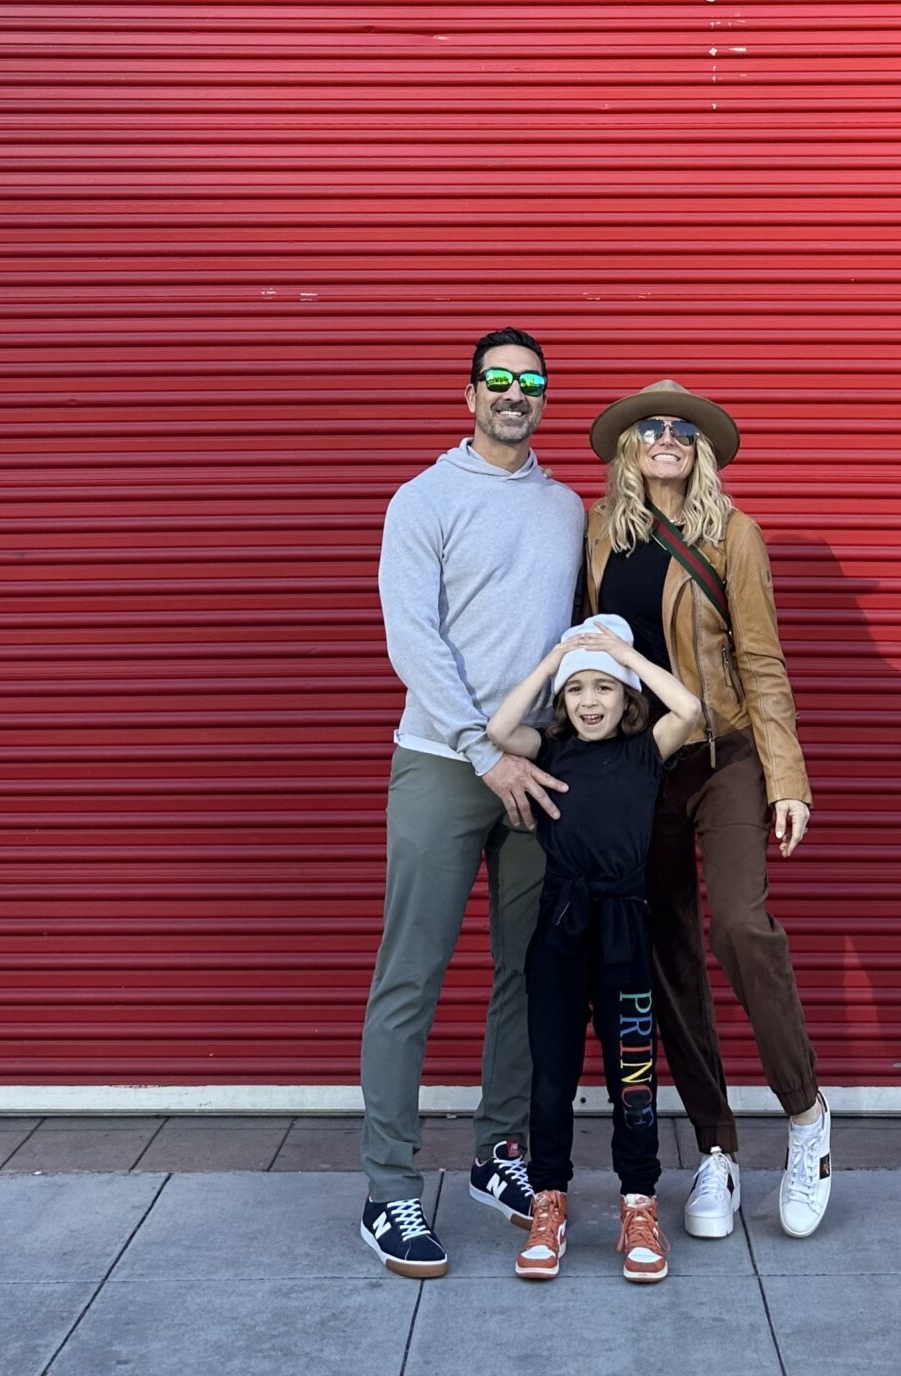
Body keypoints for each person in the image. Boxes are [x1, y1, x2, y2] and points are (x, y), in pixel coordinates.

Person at [357, 329, 586, 1279]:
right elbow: (411, 638)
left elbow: (581, 634)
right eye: (497, 379)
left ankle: (500, 1153)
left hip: (535, 771)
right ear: (468, 396)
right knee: (410, 975)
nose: (513, 393)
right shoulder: (424, 499)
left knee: (526, 974)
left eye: (530, 382)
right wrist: (474, 747)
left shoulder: (569, 506)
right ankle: (387, 1190)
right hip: (442, 766)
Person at [585, 380, 833, 1241]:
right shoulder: (594, 534)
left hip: (722, 758)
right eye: (649, 428)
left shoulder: (734, 535)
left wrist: (786, 775)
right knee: (666, 954)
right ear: (628, 448)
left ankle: (805, 1118)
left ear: (699, 451)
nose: (663, 437)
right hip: (639, 766)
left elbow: (760, 659)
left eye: (679, 429)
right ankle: (716, 1149)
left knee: (738, 924)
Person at [485, 614, 703, 1283]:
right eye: (576, 690)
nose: (587, 700)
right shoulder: (549, 749)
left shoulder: (645, 751)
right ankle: (550, 1201)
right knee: (550, 1079)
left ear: (625, 696)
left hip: (625, 931)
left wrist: (615, 652)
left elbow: (690, 707)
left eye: (602, 689)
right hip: (559, 929)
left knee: (632, 1078)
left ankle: (638, 1203)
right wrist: (555, 659)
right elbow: (497, 730)